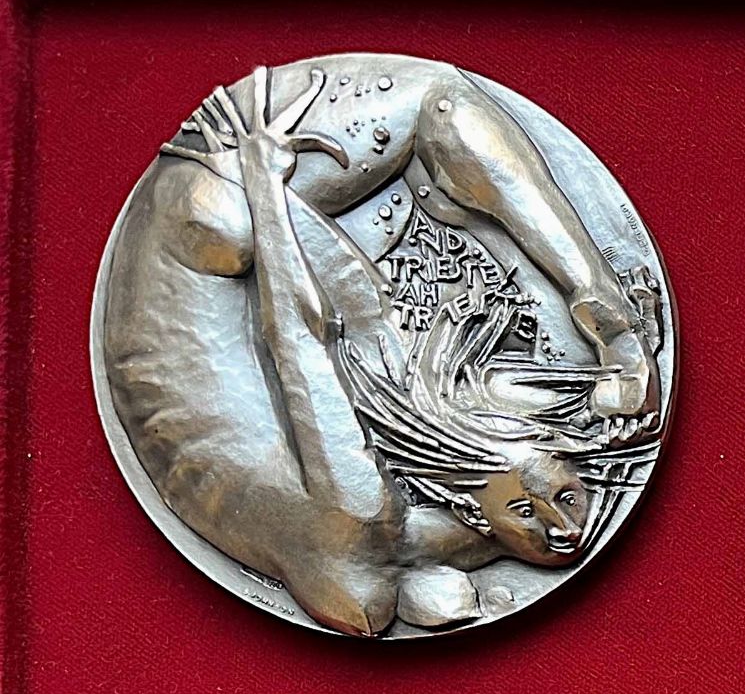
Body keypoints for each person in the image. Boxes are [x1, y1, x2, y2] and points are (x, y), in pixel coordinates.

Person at [98, 59, 662, 634]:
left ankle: (609, 317)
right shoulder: (388, 544)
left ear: (471, 510)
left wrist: (263, 179)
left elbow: (299, 337)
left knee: (439, 103)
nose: (568, 530)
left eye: (563, 500)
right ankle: (607, 315)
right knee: (437, 110)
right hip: (211, 226)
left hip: (205, 209)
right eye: (565, 499)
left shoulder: (365, 522)